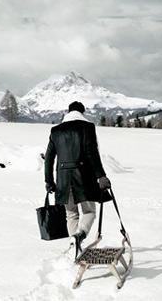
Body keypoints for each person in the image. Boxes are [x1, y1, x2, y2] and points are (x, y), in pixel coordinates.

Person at [44, 101, 111, 254]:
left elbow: (49, 157)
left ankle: (74, 247)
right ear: (82, 112)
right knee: (89, 212)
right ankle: (79, 235)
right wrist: (101, 176)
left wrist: (49, 181)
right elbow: (91, 153)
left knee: (71, 214)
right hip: (83, 177)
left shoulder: (56, 130)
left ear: (68, 112)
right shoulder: (87, 127)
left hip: (62, 179)